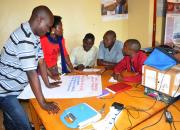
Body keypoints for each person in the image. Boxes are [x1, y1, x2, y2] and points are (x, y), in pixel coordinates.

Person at [0, 6, 60, 130]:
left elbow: (41, 61)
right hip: (5, 92)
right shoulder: (25, 38)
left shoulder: (35, 36)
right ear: (39, 19)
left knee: (11, 121)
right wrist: (43, 103)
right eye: (48, 26)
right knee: (25, 126)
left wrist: (48, 83)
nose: (49, 30)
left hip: (14, 88)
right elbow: (32, 73)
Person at [41, 15, 75, 80]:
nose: (62, 29)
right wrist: (51, 75)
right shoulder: (43, 40)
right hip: (45, 72)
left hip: (55, 70)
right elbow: (41, 62)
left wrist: (72, 69)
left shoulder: (61, 40)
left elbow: (65, 55)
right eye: (60, 28)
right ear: (53, 30)